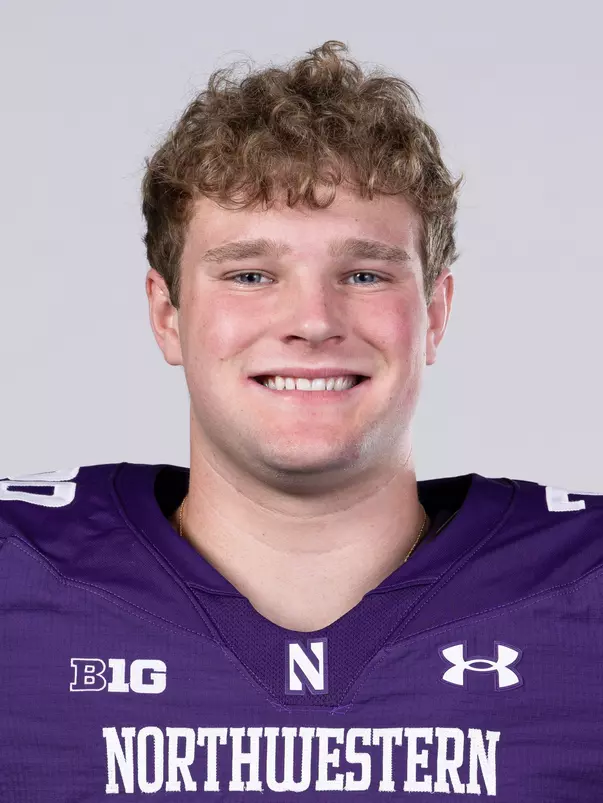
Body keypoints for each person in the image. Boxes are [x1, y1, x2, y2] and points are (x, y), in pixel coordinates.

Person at [1, 40, 602, 802]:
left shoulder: (582, 593)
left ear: (436, 312)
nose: (312, 321)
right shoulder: (21, 580)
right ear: (166, 313)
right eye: (251, 275)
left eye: (363, 274)